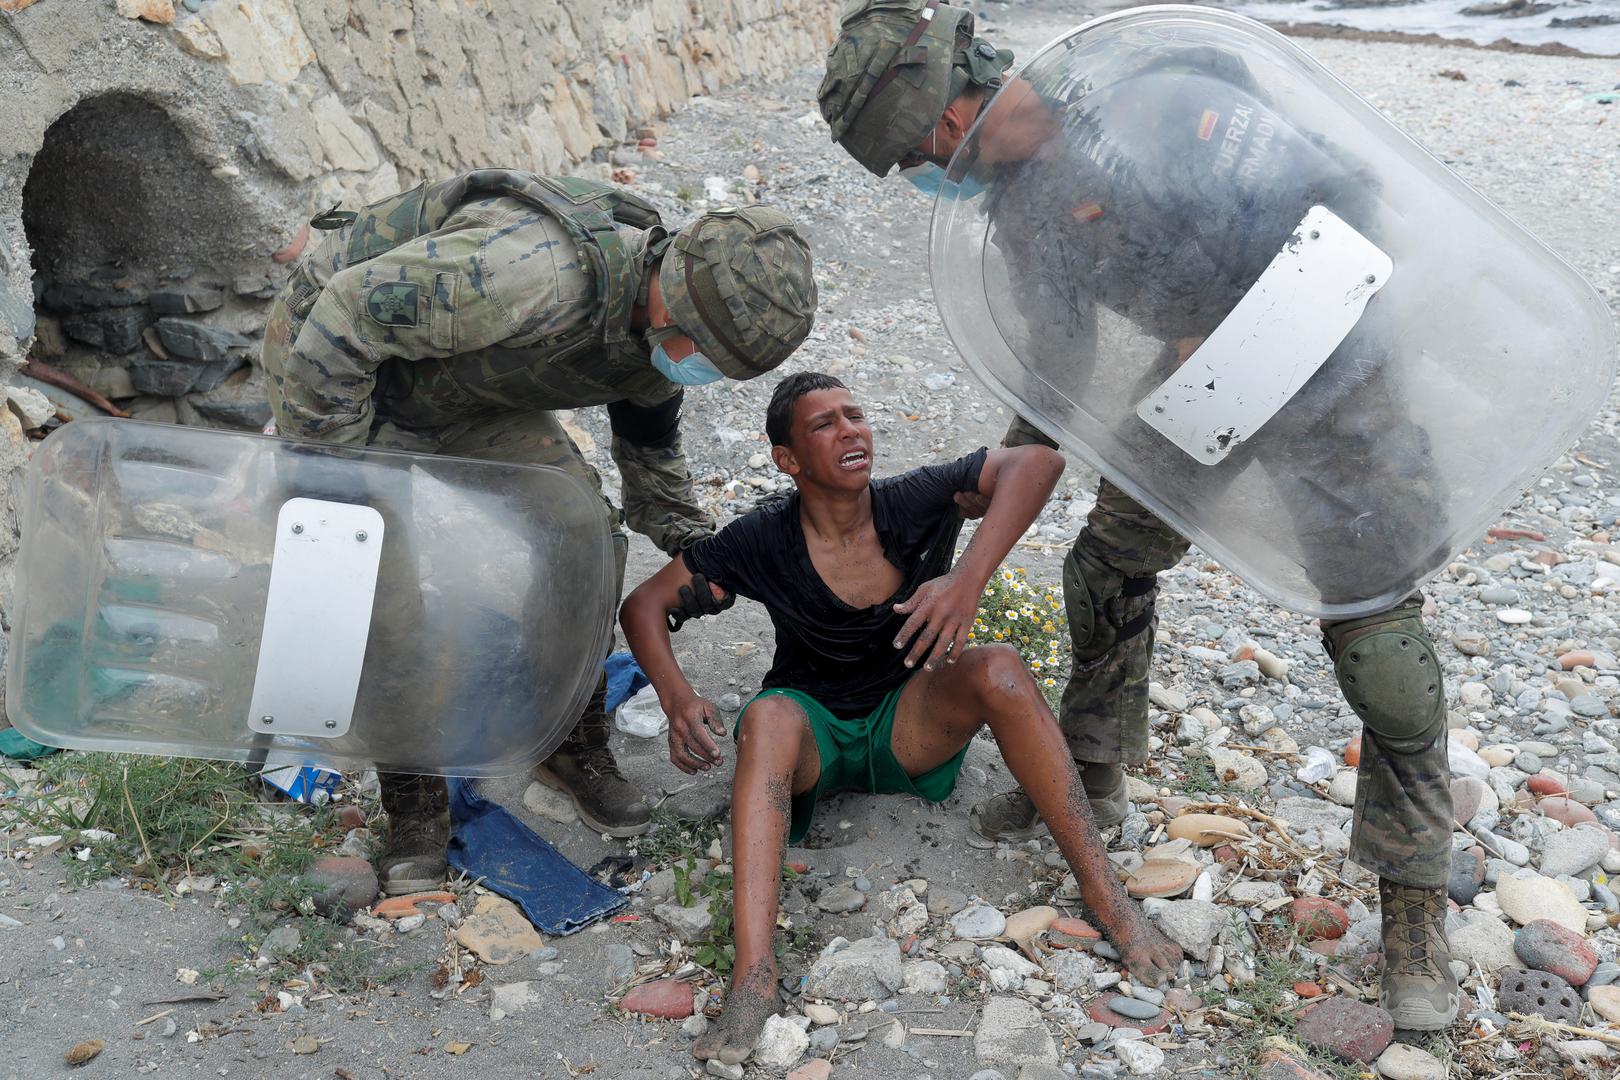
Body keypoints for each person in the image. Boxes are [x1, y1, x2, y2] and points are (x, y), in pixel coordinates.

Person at [815, 1, 1457, 1030]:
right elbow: (1051, 399)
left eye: (906, 161)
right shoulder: (1024, 219)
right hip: (1210, 381)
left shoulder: (1167, 79)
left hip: (1336, 361)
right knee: (1107, 565)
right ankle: (1092, 774)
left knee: (1377, 634)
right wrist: (970, 555)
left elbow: (1354, 199)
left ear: (941, 126)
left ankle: (1417, 897)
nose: (920, 181)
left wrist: (1253, 317)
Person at [261, 169, 817, 895]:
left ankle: (566, 741)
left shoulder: (658, 332)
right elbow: (344, 318)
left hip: (464, 387)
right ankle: (414, 799)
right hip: (335, 362)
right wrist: (333, 490)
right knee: (380, 580)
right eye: (706, 354)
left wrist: (692, 542)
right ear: (676, 306)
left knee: (583, 535)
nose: (701, 371)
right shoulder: (525, 277)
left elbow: (649, 453)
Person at [621, 372, 1183, 1065]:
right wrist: (677, 697)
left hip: (907, 728)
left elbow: (1040, 462)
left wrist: (967, 578)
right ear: (787, 460)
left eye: (856, 415)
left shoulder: (913, 501)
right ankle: (754, 977)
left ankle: (1108, 897)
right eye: (824, 423)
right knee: (766, 719)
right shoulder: (761, 539)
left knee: (1000, 664)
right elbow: (644, 605)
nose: (851, 428)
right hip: (812, 741)